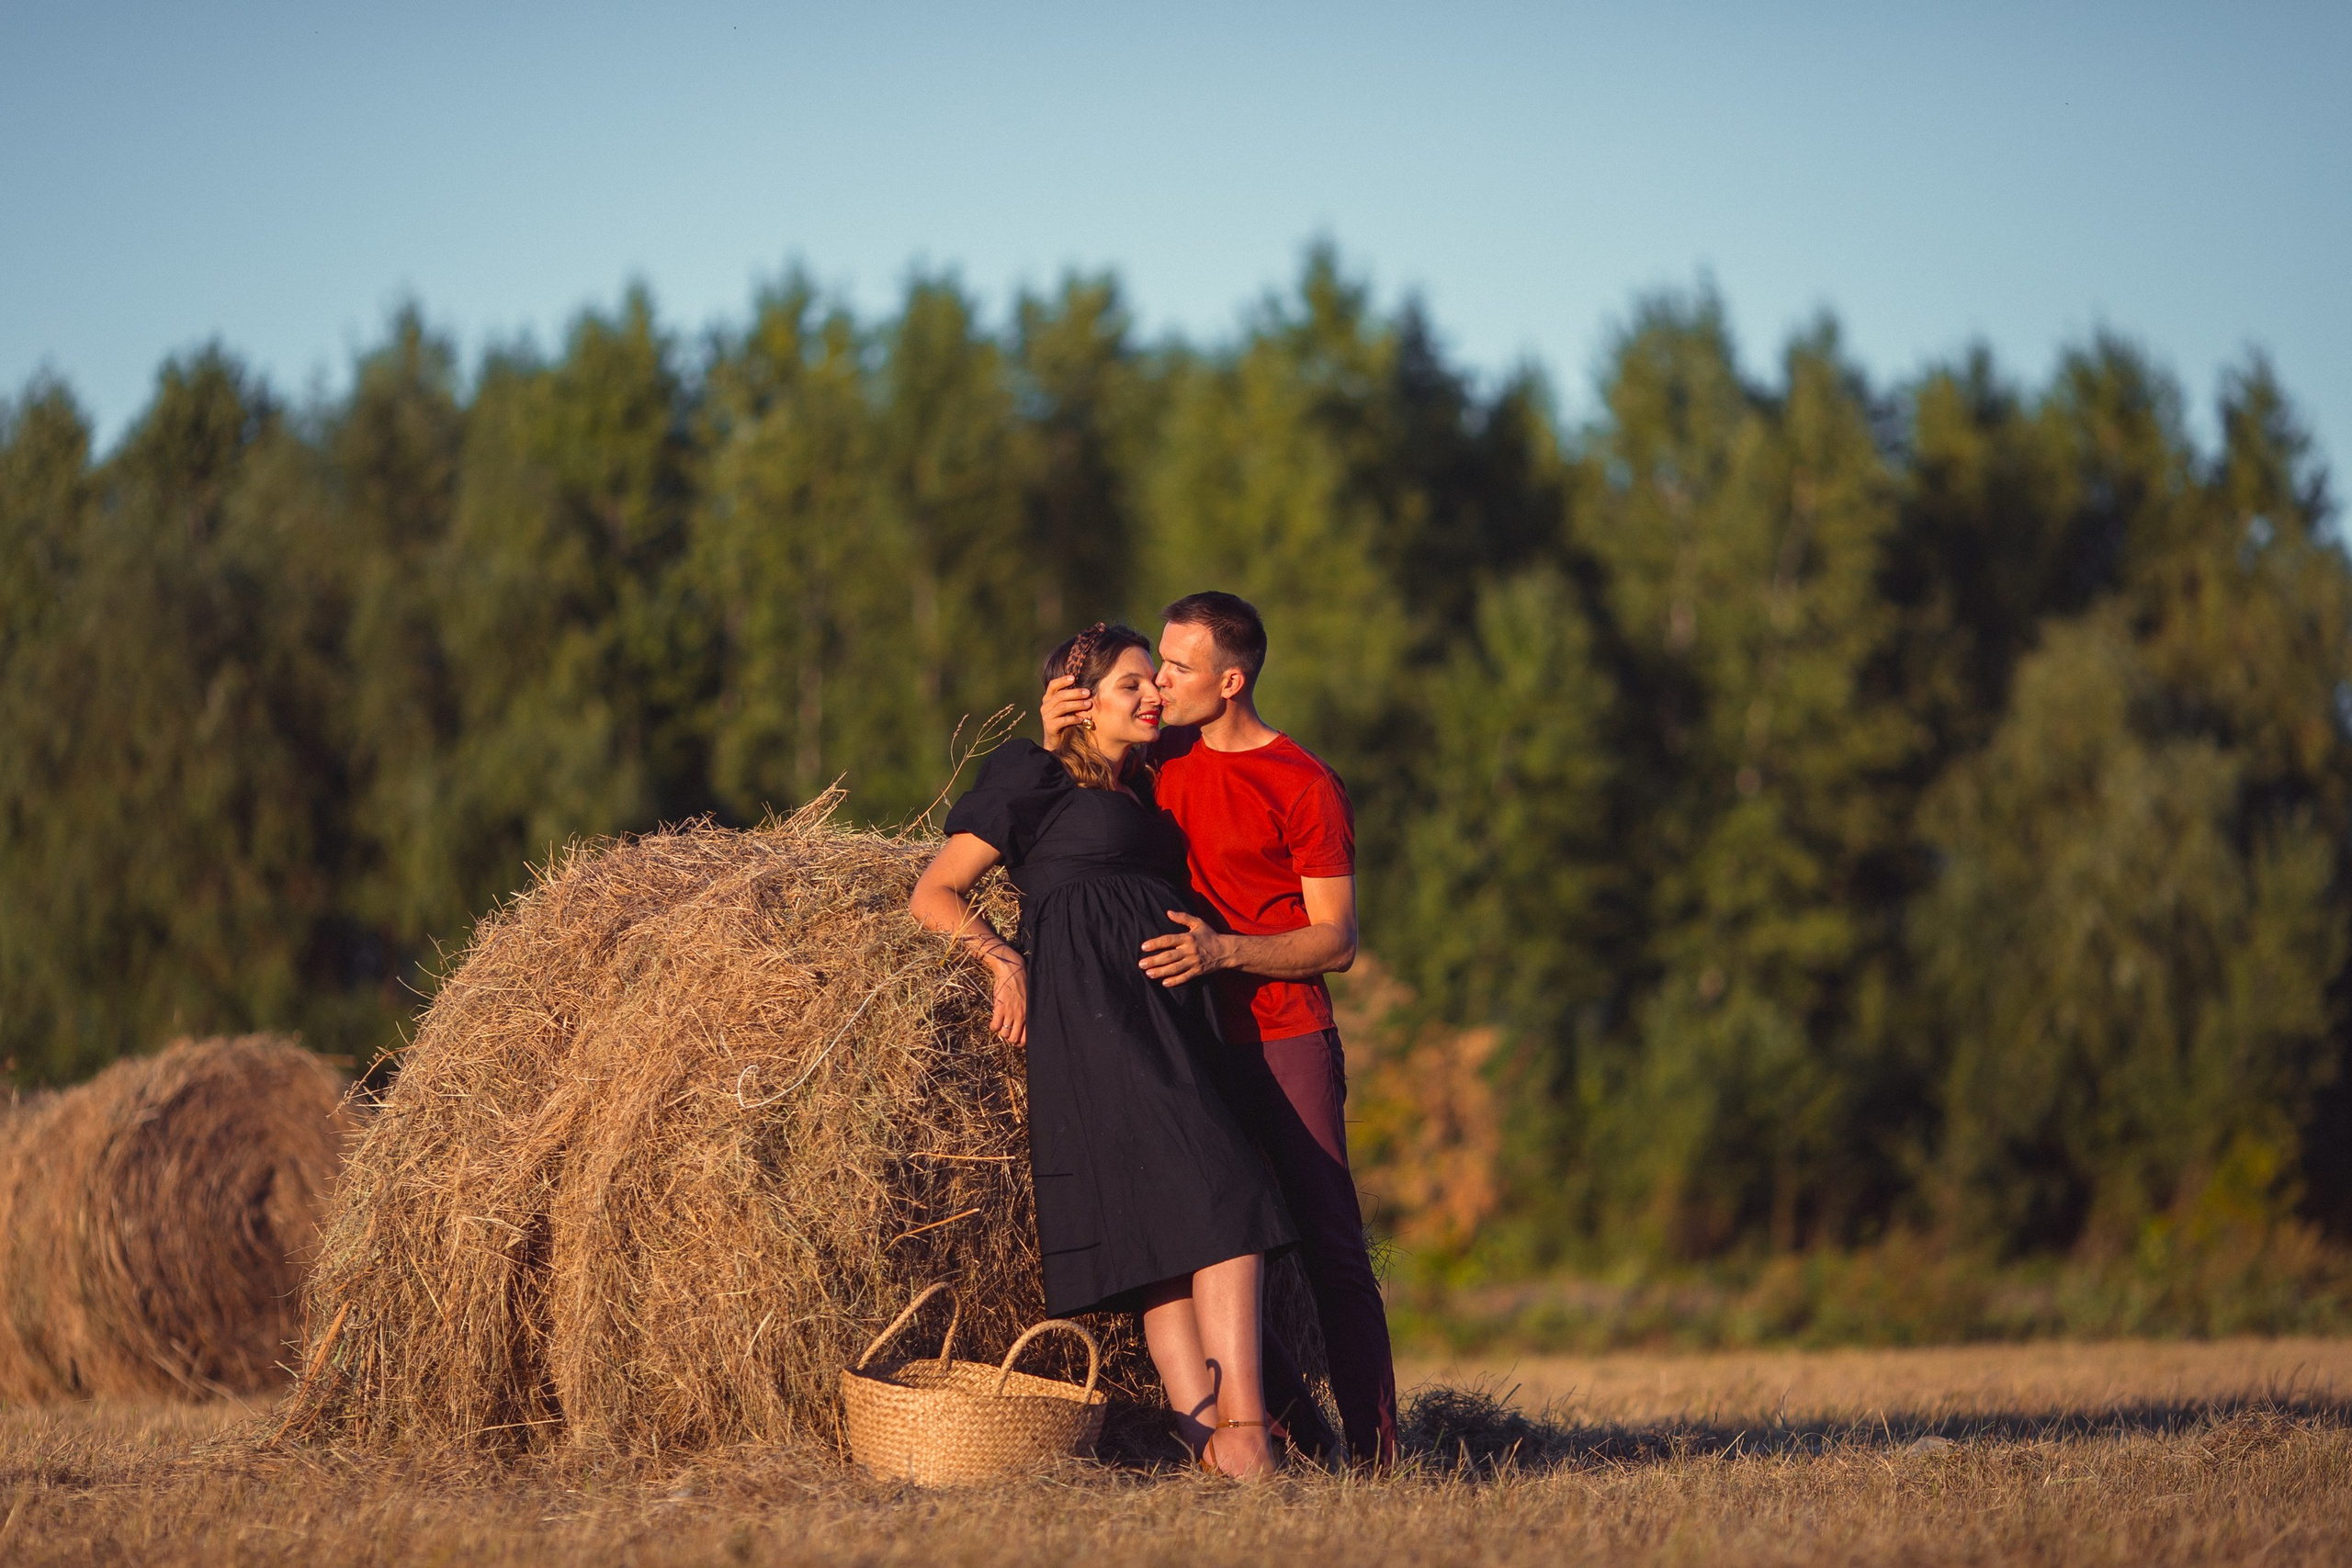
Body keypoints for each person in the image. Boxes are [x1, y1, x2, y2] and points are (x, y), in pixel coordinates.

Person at [910, 622, 1295, 1478]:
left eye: (1151, 683)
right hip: (1098, 1019)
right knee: (1224, 1194)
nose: (1153, 695)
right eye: (1132, 684)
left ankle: (1205, 1445)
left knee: (1162, 1233)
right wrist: (1002, 958)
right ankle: (1245, 1425)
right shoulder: (1030, 776)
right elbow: (933, 890)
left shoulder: (1147, 786)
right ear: (1082, 704)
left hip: (1169, 1016)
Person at [1042, 591, 1400, 1470]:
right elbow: (1062, 804)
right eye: (1154, 664)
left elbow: (1338, 939)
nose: (1159, 683)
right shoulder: (1156, 757)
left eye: (1179, 668)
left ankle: (1382, 1457)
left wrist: (1222, 951)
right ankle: (1294, 1444)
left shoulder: (1304, 783)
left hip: (1282, 1040)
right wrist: (1054, 723)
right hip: (1178, 1041)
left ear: (1231, 680)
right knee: (1213, 1233)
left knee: (1329, 1251)